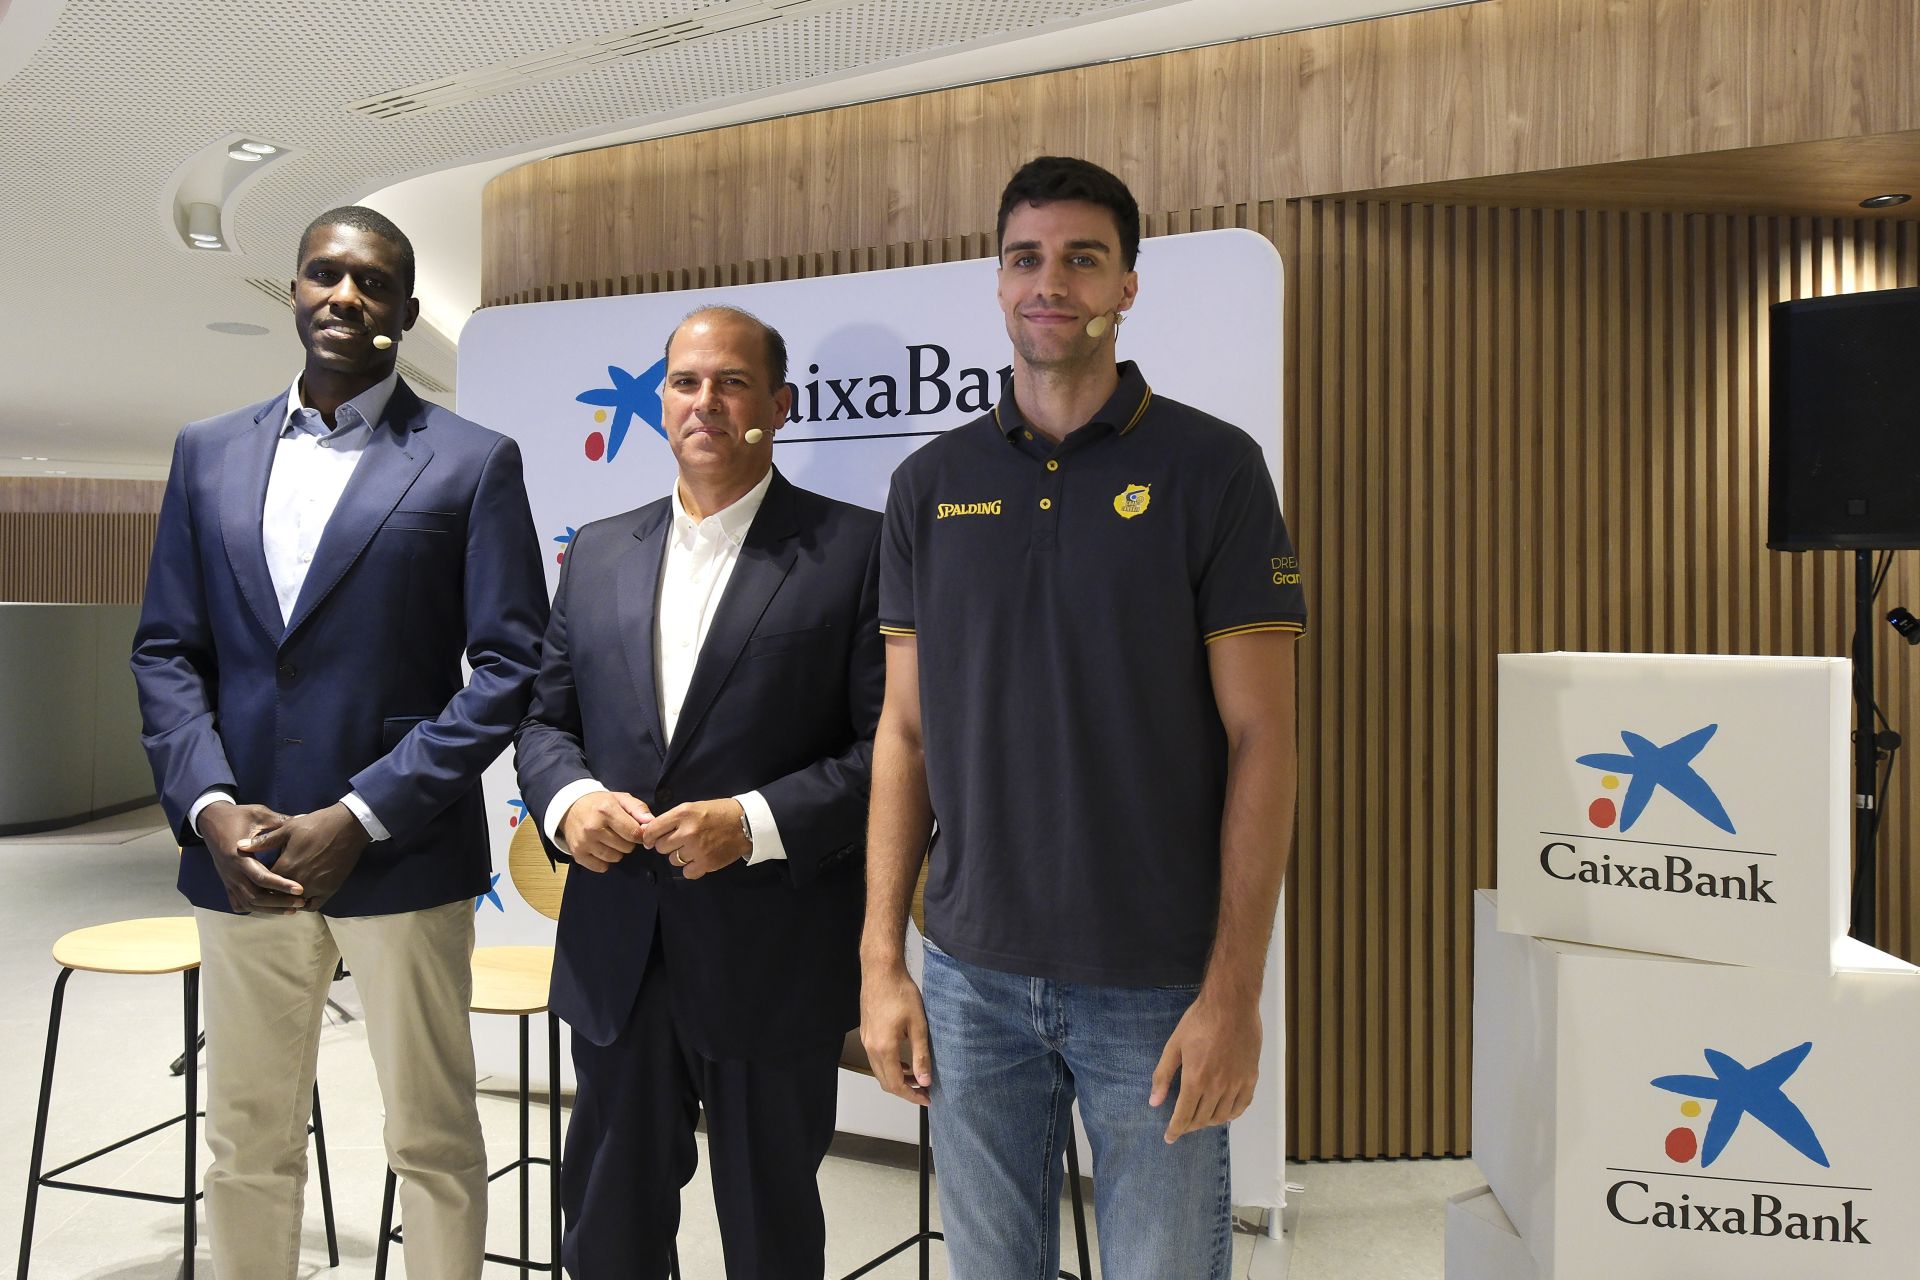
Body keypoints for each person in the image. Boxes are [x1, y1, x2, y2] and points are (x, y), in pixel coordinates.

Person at [859, 156, 1308, 1278]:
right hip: (969, 973)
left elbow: (1266, 740)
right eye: (1027, 258)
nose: (1049, 281)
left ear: (1127, 287)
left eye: (1081, 259)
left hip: (1154, 982)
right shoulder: (929, 485)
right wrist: (882, 961)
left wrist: (1235, 993)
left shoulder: (1213, 468)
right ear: (998, 280)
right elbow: (904, 733)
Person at [130, 205, 548, 1280]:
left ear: (407, 312)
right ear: (295, 291)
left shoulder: (471, 461)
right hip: (244, 856)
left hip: (399, 854)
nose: (344, 297)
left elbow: (510, 666)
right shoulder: (206, 452)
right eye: (324, 274)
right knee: (246, 1141)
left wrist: (359, 812)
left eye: (371, 284)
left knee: (435, 1140)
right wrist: (213, 806)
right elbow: (169, 651)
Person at [515, 305, 883, 1279]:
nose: (704, 402)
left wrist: (753, 822)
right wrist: (568, 800)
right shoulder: (595, 551)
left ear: (780, 403)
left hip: (773, 953)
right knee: (607, 1231)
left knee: (771, 1238)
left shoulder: (859, 550)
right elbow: (545, 721)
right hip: (618, 954)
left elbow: (892, 748)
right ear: (662, 401)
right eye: (684, 382)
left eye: (730, 382)